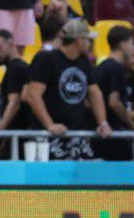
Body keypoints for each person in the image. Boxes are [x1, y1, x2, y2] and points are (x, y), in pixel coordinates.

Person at [23, 18, 111, 161]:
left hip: (75, 136)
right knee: (51, 179)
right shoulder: (45, 59)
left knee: (84, 176)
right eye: (87, 39)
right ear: (78, 40)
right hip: (48, 136)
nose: (90, 44)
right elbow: (33, 95)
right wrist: (50, 125)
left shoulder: (83, 61)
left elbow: (94, 93)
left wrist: (103, 123)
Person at [0, 28, 32, 146]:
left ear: (12, 44)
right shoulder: (17, 67)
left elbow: (14, 104)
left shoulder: (16, 68)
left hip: (18, 136)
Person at [94, 24, 134, 146]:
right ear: (123, 45)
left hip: (100, 131)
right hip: (112, 134)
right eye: (132, 43)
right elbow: (114, 102)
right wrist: (130, 124)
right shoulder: (116, 68)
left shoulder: (101, 66)